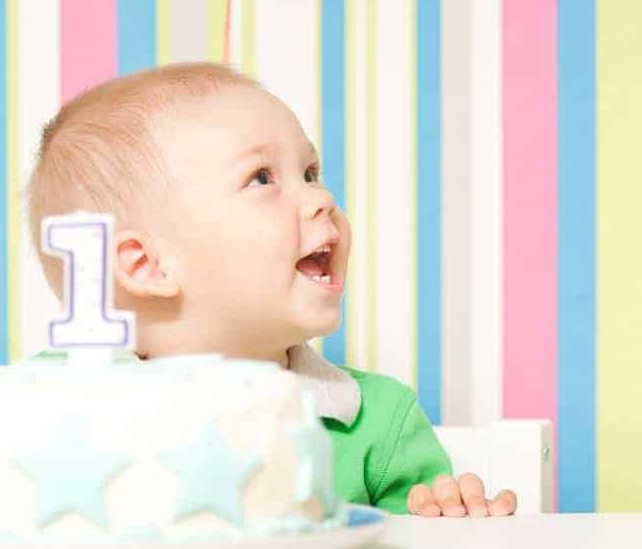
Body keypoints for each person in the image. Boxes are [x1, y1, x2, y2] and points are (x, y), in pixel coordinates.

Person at [26, 62, 517, 517]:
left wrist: (449, 518)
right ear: (147, 265)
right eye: (262, 178)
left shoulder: (376, 424)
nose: (322, 199)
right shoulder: (45, 407)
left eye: (310, 173)